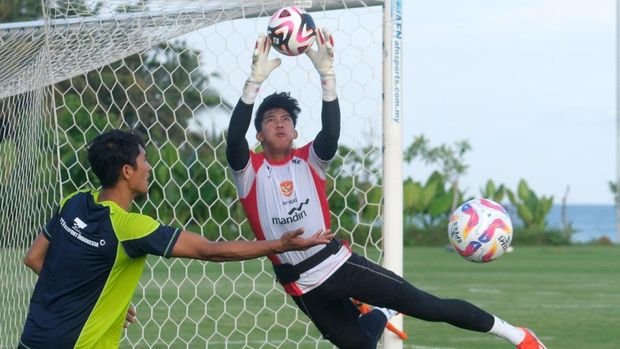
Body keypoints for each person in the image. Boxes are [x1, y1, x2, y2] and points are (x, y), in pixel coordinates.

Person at [225, 29, 548, 349]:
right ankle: (380, 312)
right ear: (260, 135)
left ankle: (517, 335)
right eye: (269, 120)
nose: (279, 123)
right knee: (361, 345)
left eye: (285, 119)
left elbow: (332, 132)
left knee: (428, 307)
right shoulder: (250, 171)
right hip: (301, 285)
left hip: (339, 264)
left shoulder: (308, 159)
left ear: (295, 132)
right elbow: (234, 139)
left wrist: (327, 75)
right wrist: (254, 82)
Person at [18, 129, 334, 349]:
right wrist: (279, 244)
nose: (149, 167)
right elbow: (211, 251)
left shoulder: (73, 201)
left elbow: (34, 258)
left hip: (32, 338)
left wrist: (96, 298)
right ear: (128, 171)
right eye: (144, 160)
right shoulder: (131, 228)